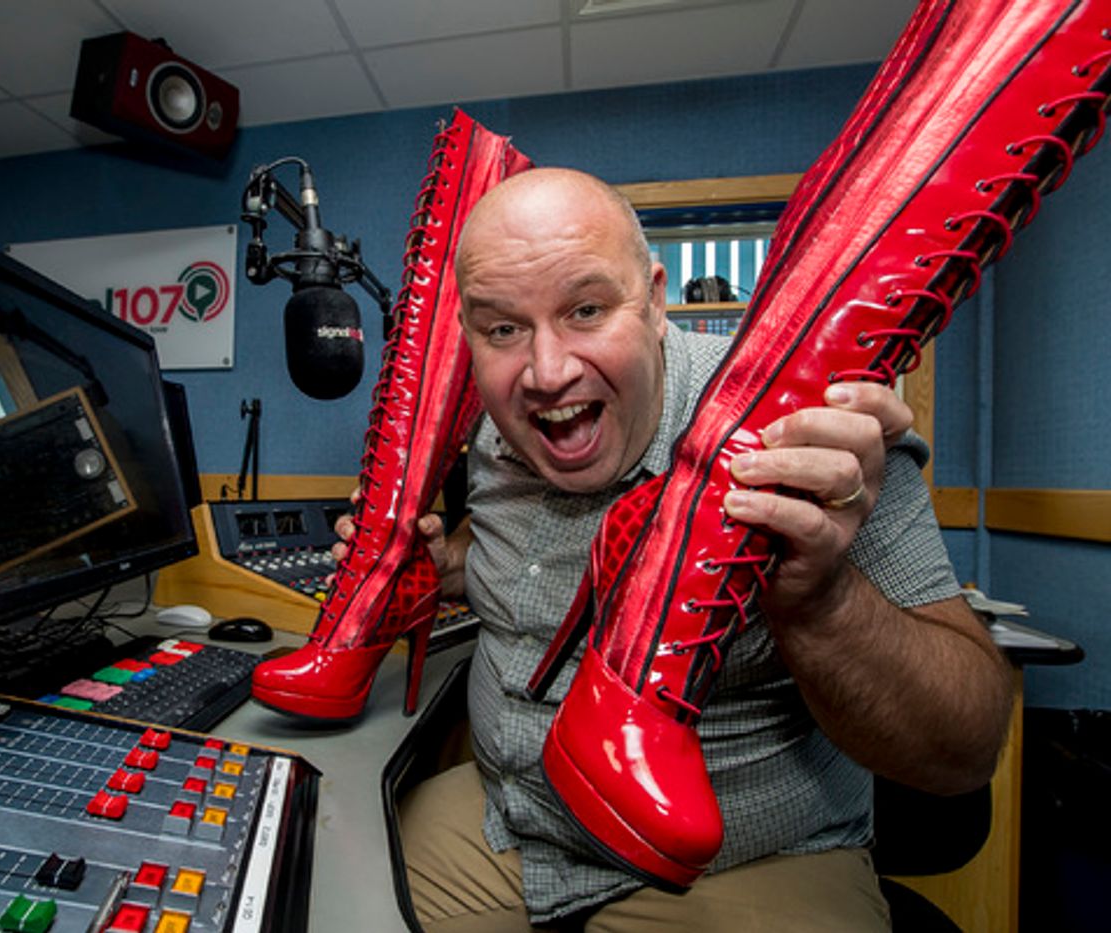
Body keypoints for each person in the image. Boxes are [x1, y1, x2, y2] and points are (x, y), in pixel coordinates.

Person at [334, 167, 1014, 931]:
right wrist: (445, 566)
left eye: (586, 309)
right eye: (502, 328)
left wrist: (821, 600)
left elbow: (966, 747)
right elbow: (508, 550)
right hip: (507, 821)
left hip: (748, 861)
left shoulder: (812, 435)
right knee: (315, 878)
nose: (547, 371)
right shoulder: (500, 427)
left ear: (657, 299)